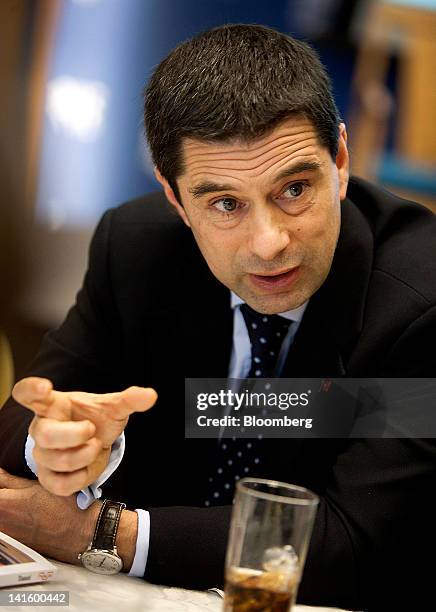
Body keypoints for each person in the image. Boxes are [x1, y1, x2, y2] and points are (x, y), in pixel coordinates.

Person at [0, 24, 435, 610]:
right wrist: (53, 446)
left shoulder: (422, 302)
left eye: (295, 188)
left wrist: (99, 532)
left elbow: (355, 544)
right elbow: (29, 419)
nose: (268, 243)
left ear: (341, 159)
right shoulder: (135, 248)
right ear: (175, 199)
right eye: (225, 204)